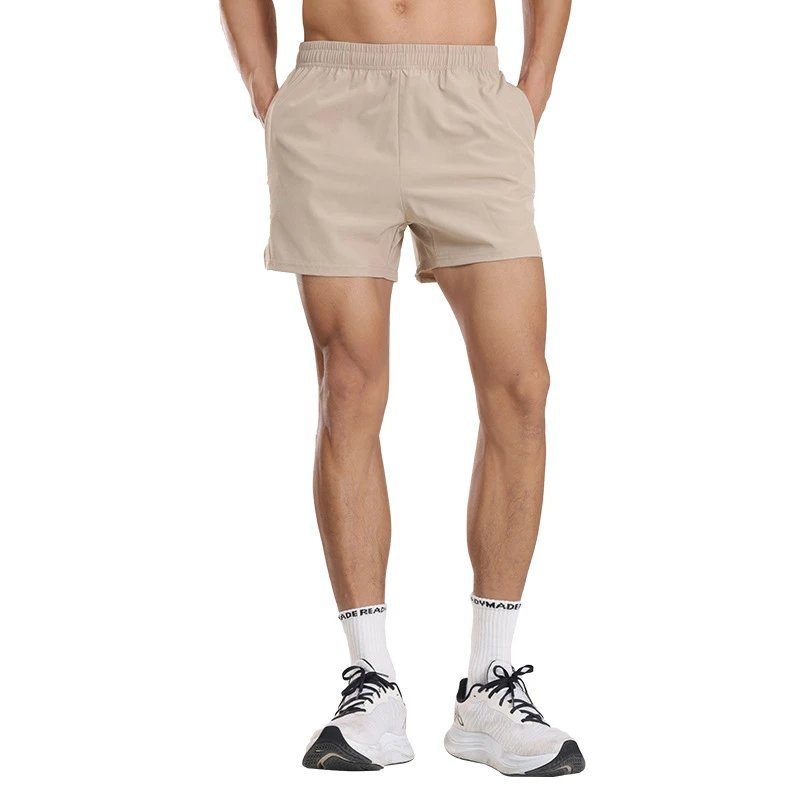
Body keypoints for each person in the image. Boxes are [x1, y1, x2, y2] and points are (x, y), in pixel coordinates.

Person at [221, 0, 581, 776]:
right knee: (348, 387)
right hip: (333, 102)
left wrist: (534, 88)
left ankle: (489, 685)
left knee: (521, 386)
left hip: (470, 102)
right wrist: (262, 89)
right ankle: (372, 683)